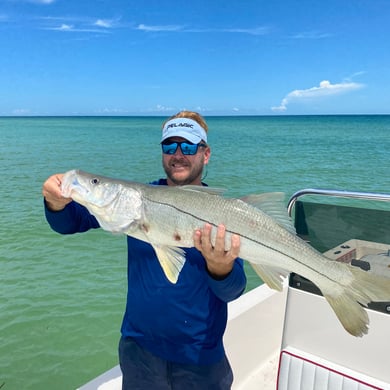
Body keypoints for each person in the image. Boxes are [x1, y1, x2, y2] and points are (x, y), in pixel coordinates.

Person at [42, 111, 247, 389]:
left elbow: (232, 291)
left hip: (200, 356)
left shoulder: (223, 215)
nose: (178, 154)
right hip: (139, 351)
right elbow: (69, 222)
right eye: (169, 146)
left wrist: (219, 267)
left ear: (205, 153)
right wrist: (56, 202)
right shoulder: (133, 200)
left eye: (187, 146)